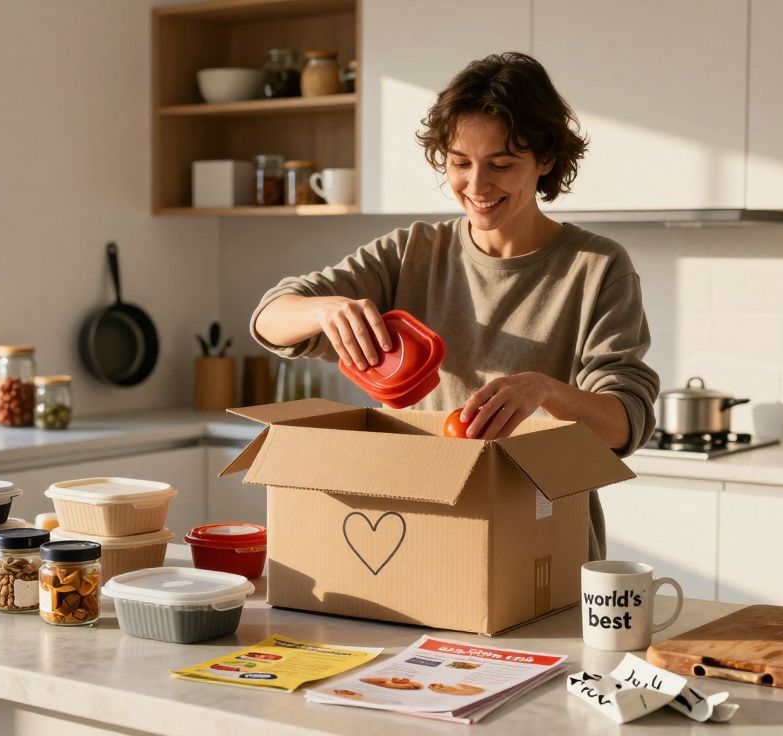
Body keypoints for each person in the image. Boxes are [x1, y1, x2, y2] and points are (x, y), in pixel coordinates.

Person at [252, 53, 658, 552]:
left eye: (501, 165)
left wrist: (543, 391)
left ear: (546, 159)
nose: (477, 186)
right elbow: (270, 318)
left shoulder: (597, 266)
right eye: (460, 163)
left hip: (541, 537)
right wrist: (324, 310)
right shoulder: (411, 251)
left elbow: (624, 423)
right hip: (415, 527)